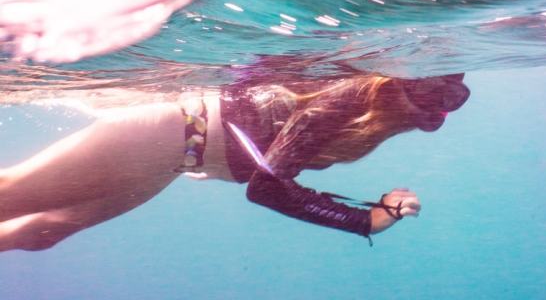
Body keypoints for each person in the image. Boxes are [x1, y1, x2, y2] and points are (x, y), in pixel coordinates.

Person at [0, 69, 470, 251]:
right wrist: (364, 220)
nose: (441, 106)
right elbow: (266, 185)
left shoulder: (364, 119)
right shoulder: (346, 100)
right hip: (168, 134)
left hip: (173, 157)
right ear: (405, 80)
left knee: (48, 231)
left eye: (455, 96)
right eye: (436, 90)